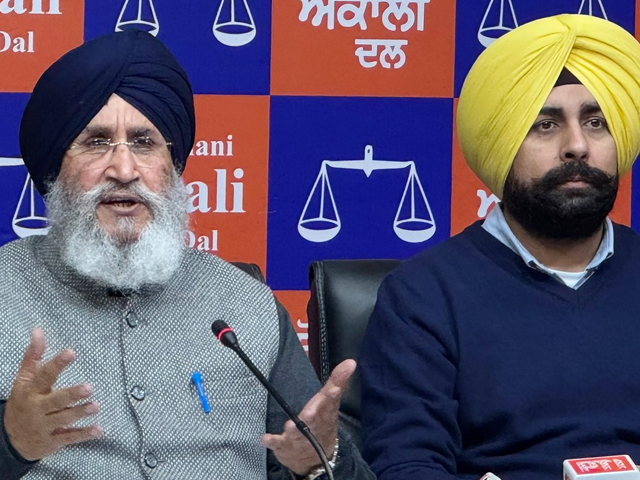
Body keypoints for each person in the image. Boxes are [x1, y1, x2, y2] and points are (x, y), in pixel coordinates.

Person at [0, 30, 375, 480]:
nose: (124, 170)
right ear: (55, 168)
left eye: (144, 142)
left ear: (172, 167)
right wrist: (10, 443)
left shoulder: (247, 306)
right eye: (96, 142)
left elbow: (320, 457)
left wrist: (317, 462)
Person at [359, 14, 640, 480]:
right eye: (545, 125)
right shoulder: (423, 294)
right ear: (501, 145)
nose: (577, 146)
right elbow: (409, 463)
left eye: (596, 122)